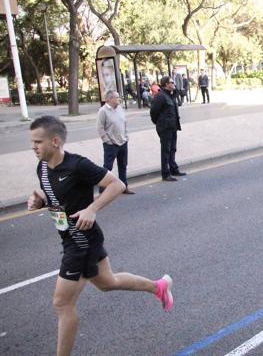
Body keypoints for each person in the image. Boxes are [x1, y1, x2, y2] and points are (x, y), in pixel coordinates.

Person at [27, 116, 173, 356]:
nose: (33, 147)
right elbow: (54, 194)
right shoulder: (42, 167)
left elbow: (116, 184)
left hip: (81, 241)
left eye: (37, 142)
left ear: (54, 141)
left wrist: (92, 208)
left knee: (62, 303)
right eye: (32, 142)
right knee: (108, 283)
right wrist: (40, 200)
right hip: (72, 238)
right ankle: (158, 287)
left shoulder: (78, 165)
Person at [96, 91, 133, 195]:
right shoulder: (103, 111)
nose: (119, 99)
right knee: (108, 167)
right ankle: (102, 190)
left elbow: (124, 123)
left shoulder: (120, 109)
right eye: (117, 97)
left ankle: (124, 187)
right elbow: (100, 127)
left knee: (123, 165)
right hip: (111, 144)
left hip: (123, 142)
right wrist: (107, 140)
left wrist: (126, 136)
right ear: (110, 99)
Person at [150, 76, 186, 181]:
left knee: (172, 149)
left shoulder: (171, 95)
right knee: (166, 150)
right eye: (172, 82)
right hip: (165, 128)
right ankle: (165, 173)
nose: (174, 83)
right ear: (166, 84)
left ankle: (173, 168)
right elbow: (153, 112)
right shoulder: (160, 96)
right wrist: (159, 123)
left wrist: (175, 91)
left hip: (173, 126)